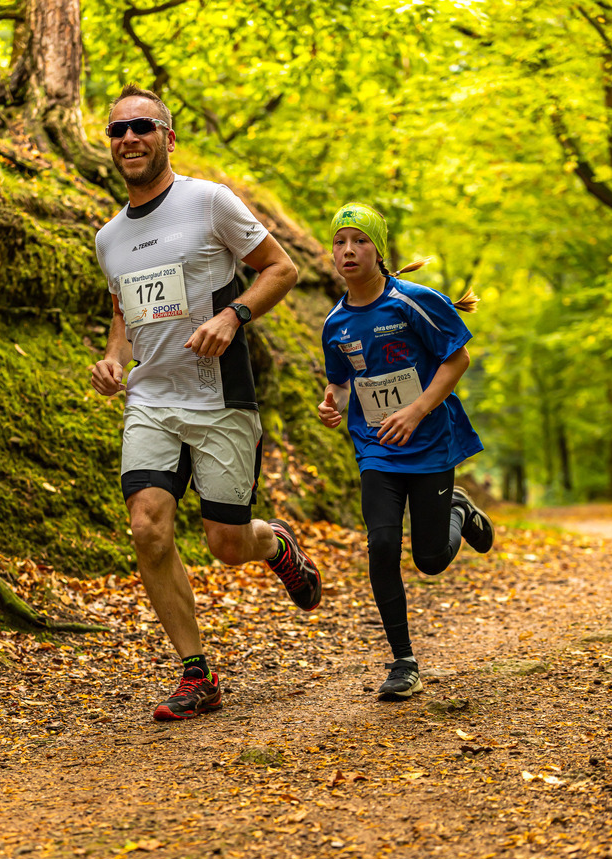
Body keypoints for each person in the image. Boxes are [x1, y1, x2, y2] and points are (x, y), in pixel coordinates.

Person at [91, 83, 321, 722]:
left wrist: (232, 316)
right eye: (117, 130)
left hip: (220, 395)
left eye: (142, 126)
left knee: (225, 543)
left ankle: (275, 543)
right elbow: (123, 312)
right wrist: (114, 359)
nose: (129, 138)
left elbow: (281, 269)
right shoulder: (108, 237)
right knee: (147, 526)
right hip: (151, 398)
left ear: (168, 137)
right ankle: (197, 672)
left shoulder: (209, 201)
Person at [318, 202, 493, 701]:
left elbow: (457, 359)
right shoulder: (335, 323)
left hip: (430, 441)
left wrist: (416, 411)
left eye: (361, 241)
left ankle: (458, 508)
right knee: (381, 544)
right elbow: (341, 382)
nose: (349, 250)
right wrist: (332, 405)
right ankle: (403, 661)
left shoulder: (414, 301)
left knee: (431, 560)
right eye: (340, 242)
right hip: (377, 447)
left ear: (379, 251)